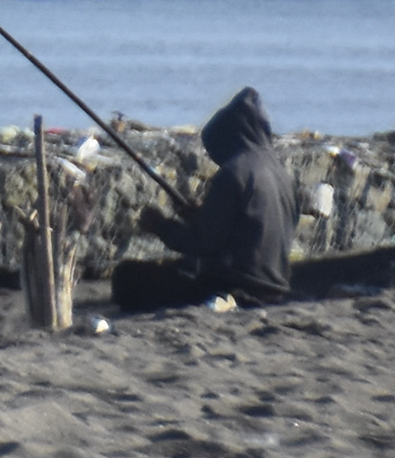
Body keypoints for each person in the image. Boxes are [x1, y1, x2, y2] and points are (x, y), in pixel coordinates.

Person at [116, 85, 295, 312]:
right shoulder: (280, 173)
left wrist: (160, 226)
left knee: (127, 277)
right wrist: (201, 216)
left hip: (236, 287)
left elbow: (202, 243)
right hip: (276, 286)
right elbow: (244, 230)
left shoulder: (234, 173)